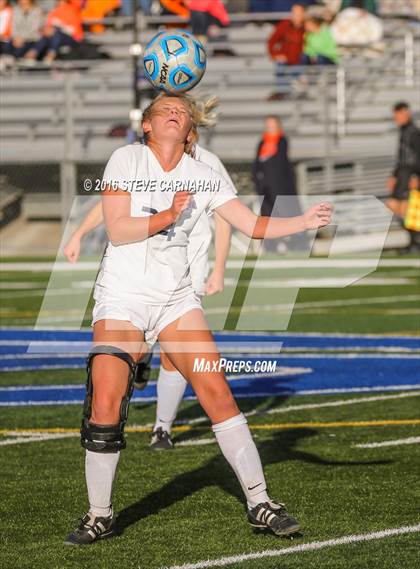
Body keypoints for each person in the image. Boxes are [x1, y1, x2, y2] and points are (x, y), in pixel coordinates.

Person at [63, 93, 332, 546]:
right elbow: (118, 228)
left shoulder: (204, 175)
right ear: (146, 125)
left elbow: (252, 225)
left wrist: (303, 221)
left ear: (191, 131)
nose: (173, 112)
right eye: (163, 108)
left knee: (216, 389)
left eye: (182, 111)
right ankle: (100, 514)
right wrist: (168, 214)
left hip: (175, 300)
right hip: (122, 296)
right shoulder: (125, 158)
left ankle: (260, 502)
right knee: (106, 403)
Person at [63, 142, 234, 450]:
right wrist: (79, 233)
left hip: (185, 274)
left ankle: (161, 428)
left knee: (176, 354)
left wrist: (219, 268)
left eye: (184, 118)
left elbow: (226, 216)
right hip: (139, 277)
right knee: (133, 351)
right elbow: (111, 204)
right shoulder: (140, 159)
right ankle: (139, 362)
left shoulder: (208, 164)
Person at [252, 115, 307, 252]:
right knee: (267, 216)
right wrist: (258, 181)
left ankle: (296, 243)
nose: (270, 128)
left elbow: (280, 164)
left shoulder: (282, 140)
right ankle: (271, 245)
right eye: (268, 125)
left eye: (273, 125)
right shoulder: (262, 142)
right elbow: (257, 164)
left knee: (287, 214)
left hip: (281, 187)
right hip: (265, 188)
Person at [386, 102, 420, 252]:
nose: (396, 118)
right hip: (402, 174)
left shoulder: (414, 132)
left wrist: (416, 175)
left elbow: (418, 156)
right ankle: (413, 240)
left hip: (411, 174)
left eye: (398, 115)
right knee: (393, 205)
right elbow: (401, 157)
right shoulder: (403, 131)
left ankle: (414, 243)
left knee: (408, 208)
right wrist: (394, 175)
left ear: (406, 113)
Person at [267, 3, 306, 101]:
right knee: (280, 65)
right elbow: (271, 41)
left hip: (300, 61)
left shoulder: (307, 27)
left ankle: (296, 94)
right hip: (286, 60)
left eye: (298, 13)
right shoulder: (284, 25)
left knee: (302, 66)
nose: (295, 15)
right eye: (294, 13)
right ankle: (281, 93)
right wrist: (275, 55)